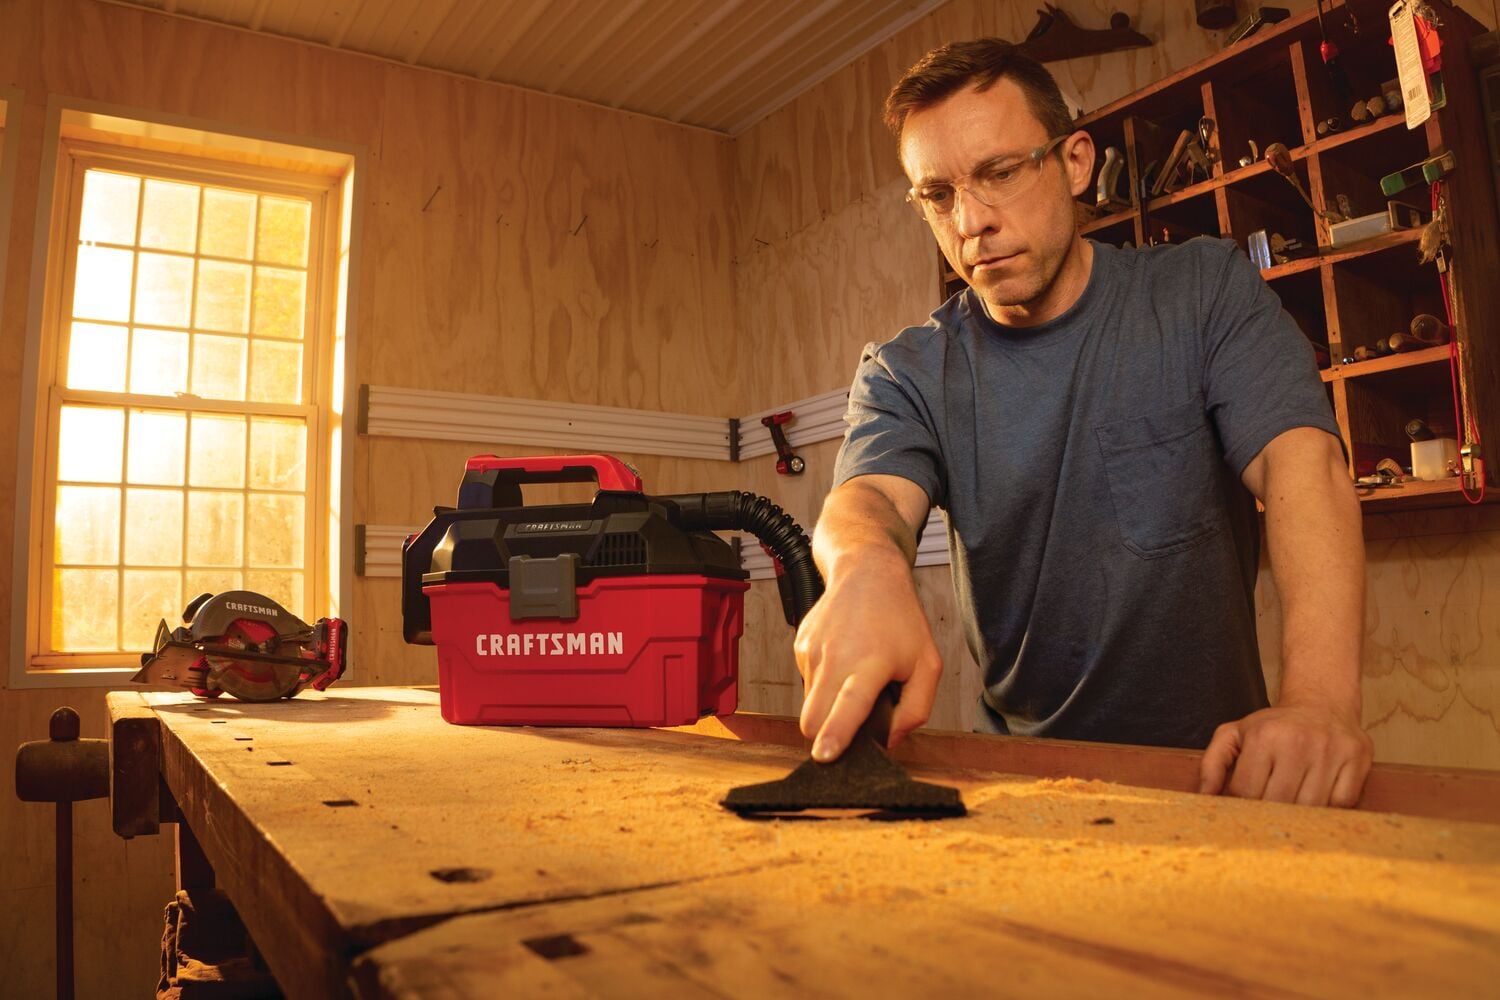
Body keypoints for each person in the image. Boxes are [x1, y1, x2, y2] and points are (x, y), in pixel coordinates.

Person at [794, 38, 1373, 807]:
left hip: (1215, 778)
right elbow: (865, 504)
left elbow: (1305, 467)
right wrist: (865, 568)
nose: (970, 221)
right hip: (1018, 789)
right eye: (937, 195)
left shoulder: (1203, 294)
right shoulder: (907, 371)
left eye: (998, 173)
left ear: (1073, 162)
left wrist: (1320, 706)